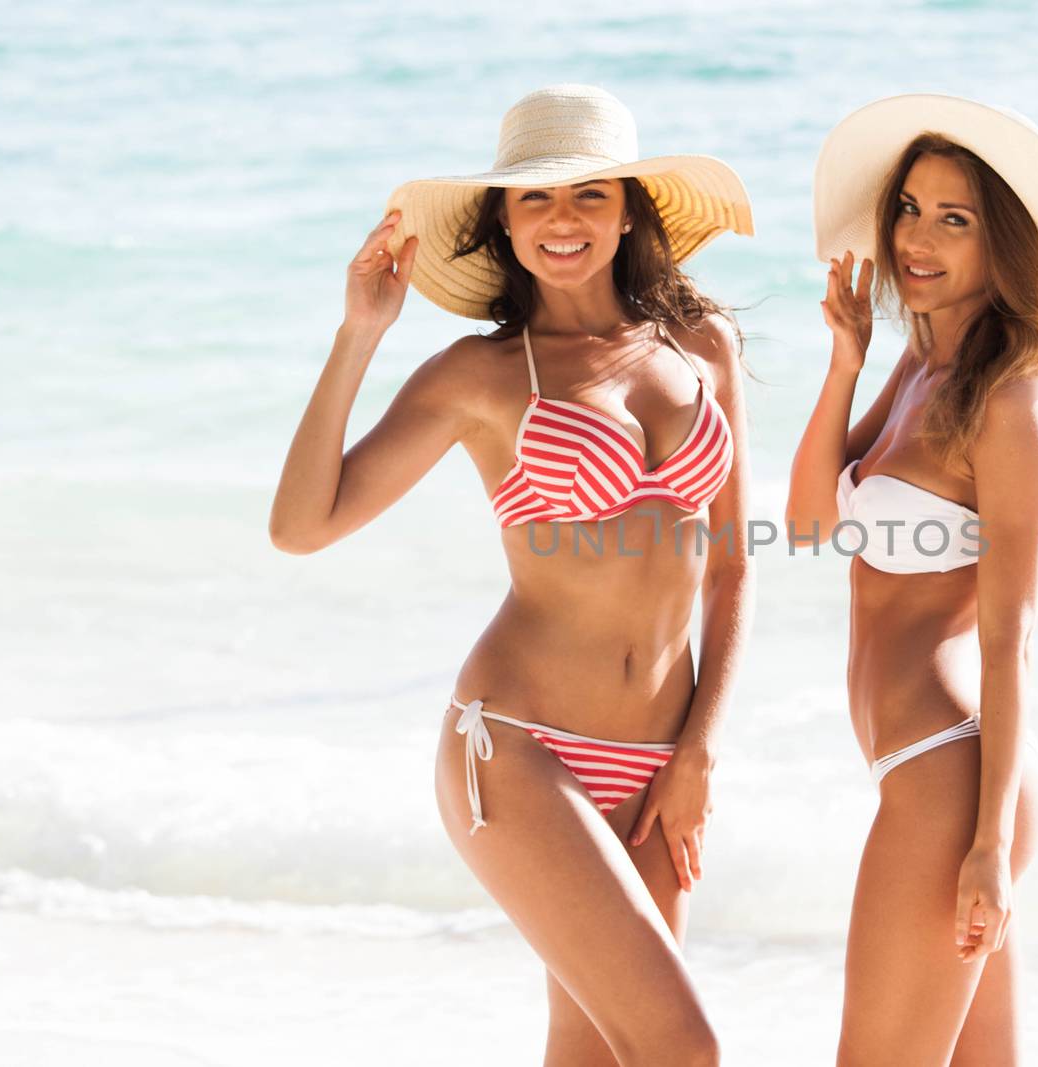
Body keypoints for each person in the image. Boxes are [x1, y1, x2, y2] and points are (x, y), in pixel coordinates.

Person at [269, 84, 755, 1067]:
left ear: (629, 210)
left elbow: (732, 561)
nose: (562, 220)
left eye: (587, 195)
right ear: (503, 222)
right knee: (681, 1045)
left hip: (660, 755)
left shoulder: (702, 344)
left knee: (598, 1051)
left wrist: (698, 746)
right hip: (519, 749)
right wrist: (359, 334)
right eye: (533, 199)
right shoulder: (478, 376)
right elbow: (301, 526)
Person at [787, 93, 1038, 1065]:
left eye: (953, 218)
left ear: (1000, 244)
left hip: (953, 777)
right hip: (932, 768)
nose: (916, 238)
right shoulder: (921, 360)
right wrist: (844, 361)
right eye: (908, 209)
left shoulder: (1009, 395)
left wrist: (984, 845)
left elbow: (1011, 631)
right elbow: (810, 522)